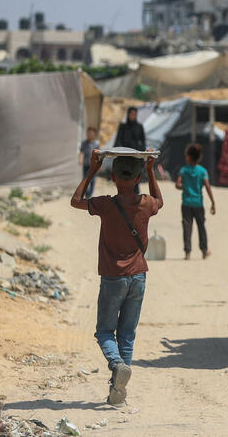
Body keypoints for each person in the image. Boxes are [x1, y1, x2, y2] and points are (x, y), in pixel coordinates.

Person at [70, 149, 162, 406]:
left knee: (104, 332)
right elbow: (160, 200)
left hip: (113, 278)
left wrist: (90, 171)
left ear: (113, 177)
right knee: (127, 336)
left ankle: (117, 365)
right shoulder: (145, 203)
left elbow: (76, 200)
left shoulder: (106, 204)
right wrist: (152, 171)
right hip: (138, 277)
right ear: (137, 178)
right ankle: (117, 393)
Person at [176, 143, 216, 260]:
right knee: (201, 227)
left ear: (189, 157)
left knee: (187, 227)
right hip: (198, 204)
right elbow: (208, 187)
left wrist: (185, 187)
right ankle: (204, 251)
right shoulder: (202, 171)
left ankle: (187, 252)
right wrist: (213, 202)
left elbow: (177, 185)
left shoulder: (183, 170)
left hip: (186, 204)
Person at [115, 107, 146, 193]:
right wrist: (116, 154)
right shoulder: (123, 127)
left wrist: (142, 156)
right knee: (123, 177)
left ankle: (135, 199)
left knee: (135, 177)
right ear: (128, 114)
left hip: (136, 157)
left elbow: (143, 142)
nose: (133, 116)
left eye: (134, 114)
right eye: (131, 114)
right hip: (124, 156)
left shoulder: (139, 127)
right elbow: (118, 140)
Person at [79, 127, 100, 198]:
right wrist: (80, 159)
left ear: (94, 135)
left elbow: (99, 155)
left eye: (92, 134)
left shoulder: (96, 144)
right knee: (85, 179)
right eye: (89, 133)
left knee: (93, 180)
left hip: (93, 164)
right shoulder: (84, 143)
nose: (90, 135)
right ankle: (86, 193)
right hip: (86, 164)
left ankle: (90, 194)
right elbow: (81, 152)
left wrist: (99, 165)